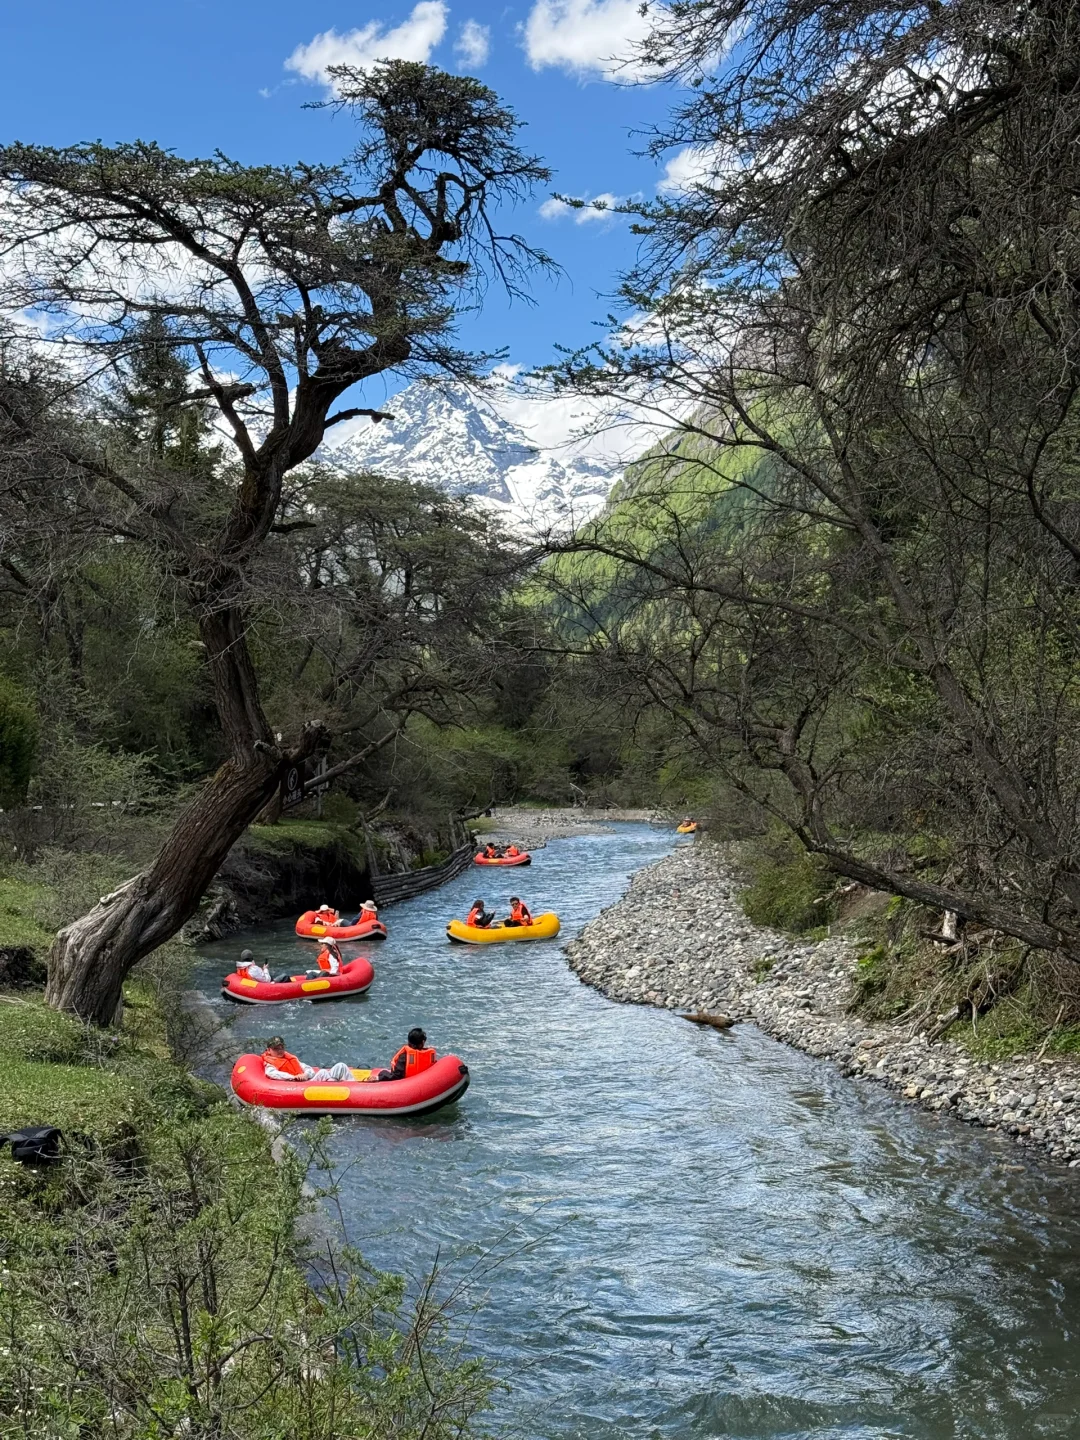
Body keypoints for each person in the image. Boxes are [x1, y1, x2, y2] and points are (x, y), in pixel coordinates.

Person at [262, 1037, 352, 1083]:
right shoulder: (269, 1063)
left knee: (341, 1066)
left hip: (305, 1080)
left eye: (281, 1048)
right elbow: (272, 1073)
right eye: (276, 1049)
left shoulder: (290, 1058)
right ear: (269, 1050)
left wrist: (305, 1074)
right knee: (323, 1072)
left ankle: (356, 1086)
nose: (279, 1051)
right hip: (298, 1085)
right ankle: (336, 1086)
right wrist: (293, 1077)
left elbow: (308, 1068)